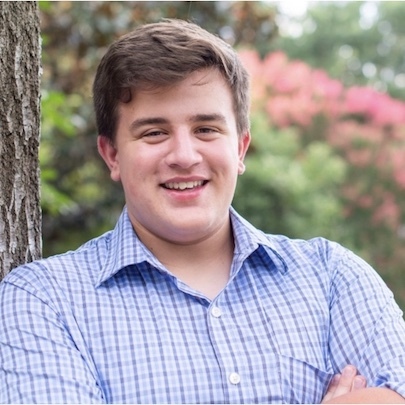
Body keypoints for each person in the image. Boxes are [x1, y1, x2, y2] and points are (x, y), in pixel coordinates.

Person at [0, 19, 405, 404]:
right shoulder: (45, 300)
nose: (184, 155)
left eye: (206, 129)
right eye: (154, 132)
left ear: (240, 147)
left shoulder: (332, 277)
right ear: (112, 155)